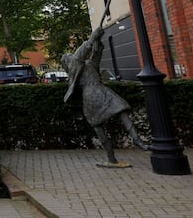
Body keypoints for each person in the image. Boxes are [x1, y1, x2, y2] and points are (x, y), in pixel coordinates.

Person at [62, 25, 149, 166]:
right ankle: (115, 154)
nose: (71, 55)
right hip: (93, 93)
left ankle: (135, 141)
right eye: (68, 56)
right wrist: (92, 38)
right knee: (111, 117)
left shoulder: (87, 64)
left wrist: (97, 41)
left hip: (98, 91)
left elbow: (96, 56)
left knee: (119, 112)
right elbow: (81, 53)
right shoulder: (73, 67)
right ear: (67, 62)